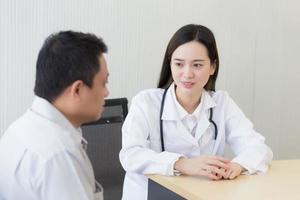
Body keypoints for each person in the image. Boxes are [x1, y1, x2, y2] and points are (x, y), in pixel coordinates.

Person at [119, 24, 273, 200]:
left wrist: (237, 165)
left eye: (197, 65)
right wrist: (182, 164)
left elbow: (259, 148)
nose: (187, 74)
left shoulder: (221, 103)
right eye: (179, 64)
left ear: (213, 67)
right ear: (170, 64)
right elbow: (130, 156)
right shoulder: (146, 102)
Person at [0, 31, 109, 200]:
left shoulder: (16, 130)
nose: (106, 93)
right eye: (103, 83)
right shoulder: (60, 154)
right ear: (77, 89)